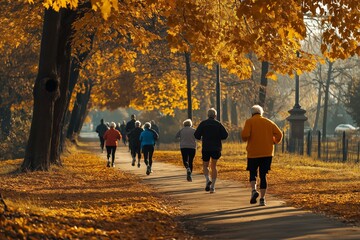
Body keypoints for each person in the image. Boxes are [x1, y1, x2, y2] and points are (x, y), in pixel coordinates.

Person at [241, 105, 283, 206]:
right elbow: (279, 134)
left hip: (253, 153)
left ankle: (254, 190)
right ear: (261, 113)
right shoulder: (269, 122)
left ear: (252, 113)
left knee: (252, 173)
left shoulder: (249, 122)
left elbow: (245, 136)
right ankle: (263, 199)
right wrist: (274, 141)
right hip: (267, 153)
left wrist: (247, 137)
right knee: (263, 175)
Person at [194, 108, 228, 193]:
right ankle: (212, 186)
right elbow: (225, 135)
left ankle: (207, 179)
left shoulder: (203, 123)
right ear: (215, 116)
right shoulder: (218, 124)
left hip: (206, 147)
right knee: (214, 165)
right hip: (216, 147)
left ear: (208, 115)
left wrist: (202, 137)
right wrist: (218, 137)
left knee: (205, 165)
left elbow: (196, 135)